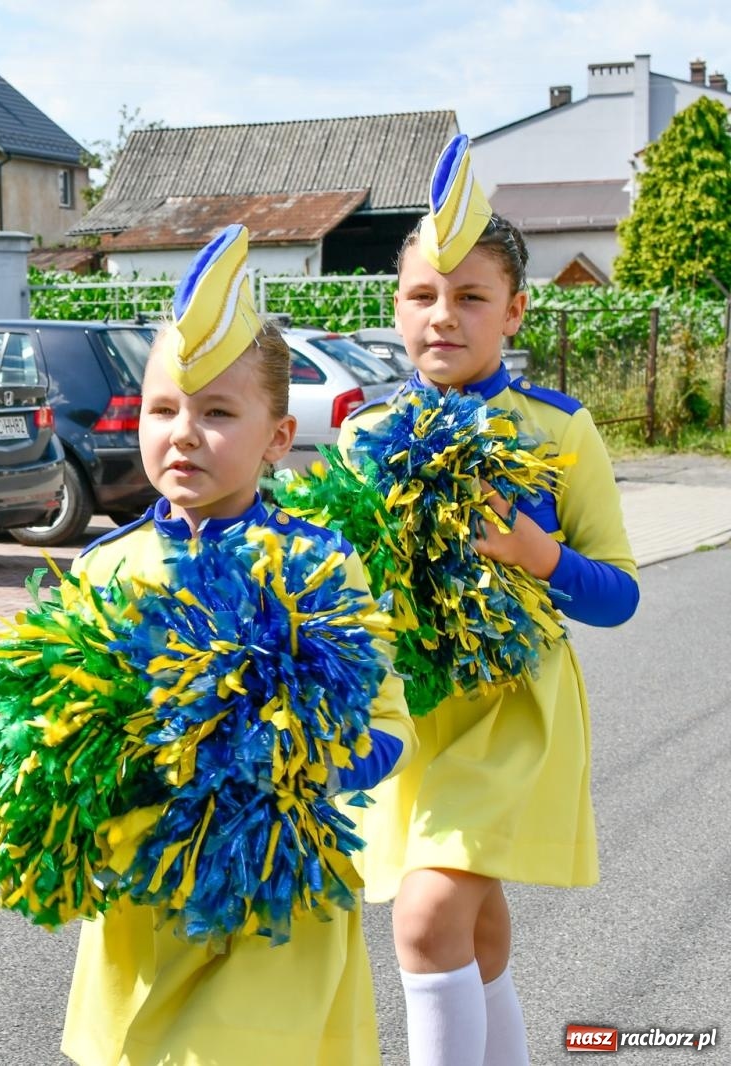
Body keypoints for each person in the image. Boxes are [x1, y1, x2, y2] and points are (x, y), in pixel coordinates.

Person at [61, 225, 416, 1065]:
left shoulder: (318, 566)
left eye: (217, 412)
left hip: (276, 907)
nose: (183, 433)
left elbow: (391, 731)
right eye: (162, 409)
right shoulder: (101, 568)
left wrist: (292, 759)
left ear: (279, 438)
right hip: (142, 907)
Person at [340, 135, 640, 1066]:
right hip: (416, 721)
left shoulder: (559, 427)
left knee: (427, 920)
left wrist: (541, 556)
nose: (442, 316)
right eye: (422, 295)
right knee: (474, 928)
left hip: (519, 720)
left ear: (515, 311)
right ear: (396, 306)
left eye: (470, 297)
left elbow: (620, 594)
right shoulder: (364, 437)